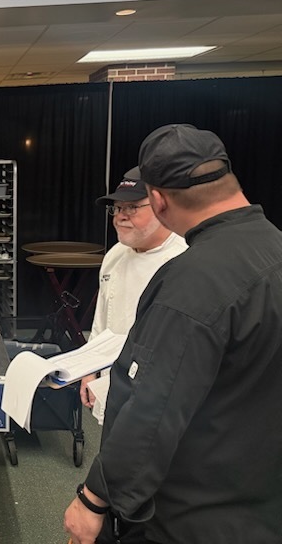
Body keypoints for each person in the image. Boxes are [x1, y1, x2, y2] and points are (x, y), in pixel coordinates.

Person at [64, 124, 282, 544]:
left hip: (193, 511)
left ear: (159, 199)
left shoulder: (193, 279)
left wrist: (93, 500)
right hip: (257, 492)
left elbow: (154, 406)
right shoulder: (272, 247)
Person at [79, 167, 187, 423]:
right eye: (116, 208)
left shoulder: (185, 260)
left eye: (132, 208)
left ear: (162, 206)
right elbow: (101, 322)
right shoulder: (115, 255)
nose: (120, 217)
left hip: (160, 396)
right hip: (113, 382)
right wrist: (89, 369)